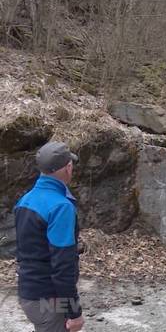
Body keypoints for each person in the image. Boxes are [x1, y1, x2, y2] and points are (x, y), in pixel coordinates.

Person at [14, 141, 84, 332]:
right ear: (68, 168)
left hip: (28, 293)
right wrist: (74, 312)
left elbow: (31, 247)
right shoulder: (61, 207)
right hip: (48, 300)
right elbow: (63, 266)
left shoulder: (25, 200)